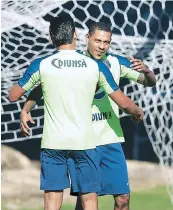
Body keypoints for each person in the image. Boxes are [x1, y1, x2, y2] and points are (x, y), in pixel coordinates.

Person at [9, 16, 144, 210]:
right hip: (84, 143)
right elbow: (123, 101)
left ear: (51, 38)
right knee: (89, 200)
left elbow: (13, 95)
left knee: (52, 204)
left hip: (53, 144)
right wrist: (137, 111)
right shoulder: (95, 66)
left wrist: (25, 106)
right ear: (76, 35)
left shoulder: (43, 65)